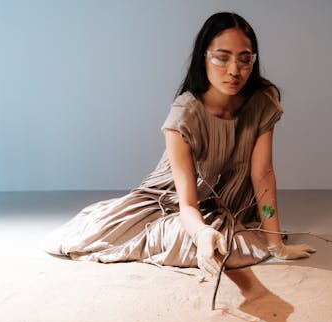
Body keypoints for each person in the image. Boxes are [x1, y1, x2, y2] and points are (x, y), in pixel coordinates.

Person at [42, 12, 316, 277]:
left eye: (245, 60)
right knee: (200, 244)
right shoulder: (184, 114)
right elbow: (186, 203)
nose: (235, 71)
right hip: (169, 200)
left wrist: (275, 243)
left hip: (225, 203)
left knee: (237, 246)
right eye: (222, 58)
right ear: (204, 58)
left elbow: (262, 174)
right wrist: (202, 232)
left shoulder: (262, 101)